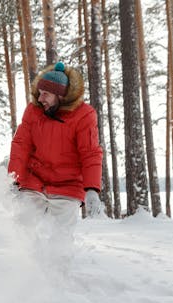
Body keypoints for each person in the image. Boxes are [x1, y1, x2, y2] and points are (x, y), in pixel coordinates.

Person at [8, 62, 103, 263]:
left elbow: (90, 153)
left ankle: (58, 274)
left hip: (67, 185)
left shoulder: (84, 115)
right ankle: (24, 268)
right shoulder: (34, 111)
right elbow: (21, 145)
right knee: (24, 225)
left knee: (61, 235)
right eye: (39, 92)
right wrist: (14, 179)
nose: (40, 98)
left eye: (46, 94)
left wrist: (92, 188)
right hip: (35, 179)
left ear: (60, 95)